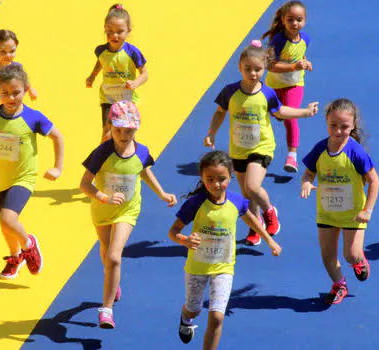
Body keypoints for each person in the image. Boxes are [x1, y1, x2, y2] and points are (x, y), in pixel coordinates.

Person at [204, 40, 318, 246]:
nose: (253, 73)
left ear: (264, 69)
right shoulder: (229, 92)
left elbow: (280, 111)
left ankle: (269, 211)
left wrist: (305, 112)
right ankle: (255, 228)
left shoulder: (267, 93)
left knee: (253, 186)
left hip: (261, 146)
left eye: (258, 69)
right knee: (247, 194)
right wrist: (212, 132)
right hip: (238, 150)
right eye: (248, 69)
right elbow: (220, 113)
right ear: (240, 67)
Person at [168, 150, 281, 349]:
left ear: (230, 177)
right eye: (209, 179)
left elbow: (253, 221)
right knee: (194, 309)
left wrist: (269, 241)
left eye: (221, 179)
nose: (216, 184)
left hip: (224, 267)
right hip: (197, 267)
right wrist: (185, 240)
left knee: (217, 317)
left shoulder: (236, 202)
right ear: (202, 178)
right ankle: (186, 318)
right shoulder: (195, 203)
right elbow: (173, 231)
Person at [79, 100, 176, 329]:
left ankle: (106, 309)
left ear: (137, 128)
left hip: (128, 210)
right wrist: (104, 197)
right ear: (110, 127)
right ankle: (113, 280)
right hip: (102, 209)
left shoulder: (141, 151)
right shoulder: (102, 152)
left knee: (114, 256)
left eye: (129, 130)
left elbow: (143, 171)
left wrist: (162, 193)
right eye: (118, 130)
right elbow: (84, 184)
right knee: (106, 253)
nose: (123, 135)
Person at [0, 64, 64, 279]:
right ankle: (15, 256)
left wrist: (58, 166)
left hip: (23, 177)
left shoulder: (33, 117)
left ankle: (29, 245)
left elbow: (57, 137)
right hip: (0, 180)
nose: (11, 98)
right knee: (5, 225)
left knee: (8, 218)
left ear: (25, 90)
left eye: (16, 93)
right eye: (5, 93)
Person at [300, 98, 379, 305]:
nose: (338, 131)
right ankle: (339, 284)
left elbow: (374, 181)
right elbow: (308, 173)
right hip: (327, 212)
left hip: (353, 214)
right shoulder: (320, 149)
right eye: (333, 125)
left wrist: (367, 211)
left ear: (353, 126)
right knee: (327, 255)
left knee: (351, 255)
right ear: (326, 122)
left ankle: (359, 261)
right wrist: (306, 184)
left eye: (344, 127)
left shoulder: (356, 152)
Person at [0, 29, 38, 185]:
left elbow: (24, 80)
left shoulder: (17, 66)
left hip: (14, 106)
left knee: (15, 134)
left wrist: (30, 89)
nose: (8, 55)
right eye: (3, 51)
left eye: (12, 51)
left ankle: (13, 167)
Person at [85, 4, 148, 143]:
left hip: (126, 98)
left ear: (128, 31)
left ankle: (132, 160)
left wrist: (135, 82)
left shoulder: (132, 52)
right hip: (108, 97)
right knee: (107, 132)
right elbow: (102, 62)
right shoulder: (101, 51)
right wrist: (92, 76)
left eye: (120, 31)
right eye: (110, 31)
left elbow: (145, 74)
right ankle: (103, 161)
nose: (114, 35)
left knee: (128, 132)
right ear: (105, 30)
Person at [262, 1, 311, 173]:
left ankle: (292, 156)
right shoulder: (278, 40)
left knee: (291, 117)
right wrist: (293, 67)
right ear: (283, 20)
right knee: (273, 113)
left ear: (305, 20)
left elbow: (300, 53)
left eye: (299, 20)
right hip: (275, 85)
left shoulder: (305, 38)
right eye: (290, 20)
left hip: (294, 84)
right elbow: (270, 65)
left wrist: (305, 62)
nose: (295, 24)